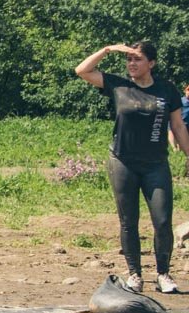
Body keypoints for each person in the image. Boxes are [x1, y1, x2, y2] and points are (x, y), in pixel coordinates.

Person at [76, 41, 189, 294]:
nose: (132, 64)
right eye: (129, 60)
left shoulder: (166, 90)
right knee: (129, 222)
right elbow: (82, 70)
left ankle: (163, 275)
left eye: (137, 59)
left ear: (151, 63)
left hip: (156, 165)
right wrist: (107, 50)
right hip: (123, 162)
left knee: (162, 220)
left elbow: (178, 126)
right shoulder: (118, 84)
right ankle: (135, 274)